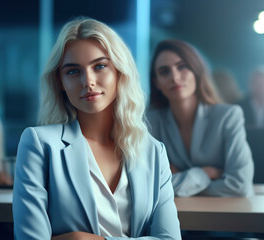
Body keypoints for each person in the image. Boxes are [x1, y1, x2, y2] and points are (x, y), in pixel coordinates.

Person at [13, 18, 181, 239]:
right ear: (60, 82)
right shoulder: (39, 144)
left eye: (100, 66)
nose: (88, 81)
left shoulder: (153, 151)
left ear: (119, 72)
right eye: (73, 71)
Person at [147, 39, 254, 197]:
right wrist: (203, 174)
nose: (174, 77)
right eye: (164, 71)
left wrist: (179, 180)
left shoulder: (228, 116)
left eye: (182, 67)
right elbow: (148, 187)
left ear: (196, 71)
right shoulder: (150, 122)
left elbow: (240, 185)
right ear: (156, 82)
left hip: (230, 214)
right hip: (180, 215)